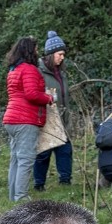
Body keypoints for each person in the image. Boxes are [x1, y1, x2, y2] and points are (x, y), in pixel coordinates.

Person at [2, 37, 48, 203]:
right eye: (35, 49)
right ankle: (21, 197)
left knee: (15, 158)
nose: (37, 52)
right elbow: (32, 94)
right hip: (25, 119)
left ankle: (13, 196)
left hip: (11, 119)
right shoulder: (29, 69)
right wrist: (48, 97)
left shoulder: (13, 70)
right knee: (26, 159)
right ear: (30, 50)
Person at [33, 32, 73, 191]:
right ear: (50, 54)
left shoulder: (62, 73)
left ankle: (65, 182)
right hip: (46, 119)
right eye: (60, 54)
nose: (62, 57)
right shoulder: (38, 72)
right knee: (43, 153)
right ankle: (39, 184)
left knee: (65, 150)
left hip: (62, 119)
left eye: (63, 54)